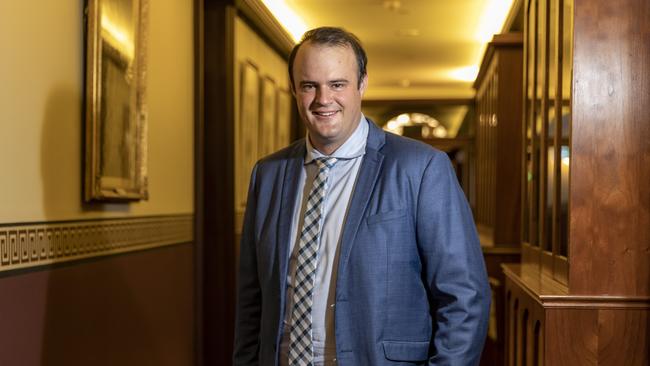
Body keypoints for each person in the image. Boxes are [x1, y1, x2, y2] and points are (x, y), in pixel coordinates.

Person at [234, 26, 490, 366]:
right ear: (294, 89)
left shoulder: (422, 168)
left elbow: (464, 297)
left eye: (337, 84)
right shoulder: (268, 174)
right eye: (310, 86)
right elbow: (252, 298)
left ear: (362, 84)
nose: (323, 99)